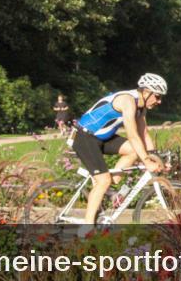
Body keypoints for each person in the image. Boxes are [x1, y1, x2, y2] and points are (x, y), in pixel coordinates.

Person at [71, 73, 168, 228]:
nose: (159, 101)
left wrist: (154, 156)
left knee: (133, 151)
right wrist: (146, 161)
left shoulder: (140, 108)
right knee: (103, 180)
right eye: (157, 96)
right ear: (146, 91)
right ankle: (86, 229)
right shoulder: (128, 101)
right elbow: (132, 134)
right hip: (84, 137)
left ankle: (109, 191)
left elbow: (143, 133)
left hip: (101, 138)